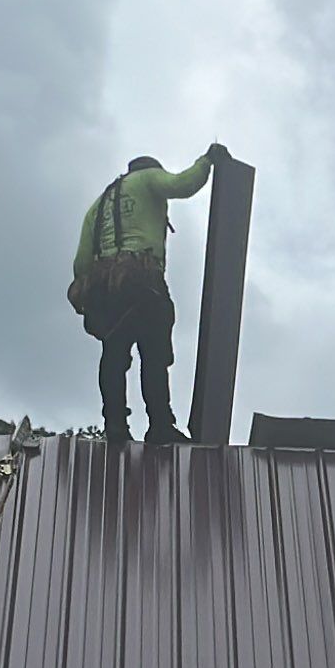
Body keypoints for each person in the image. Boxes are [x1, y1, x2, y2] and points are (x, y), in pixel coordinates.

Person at [70, 143, 230, 444]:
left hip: (107, 289)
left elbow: (81, 261)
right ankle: (160, 426)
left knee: (114, 356)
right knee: (154, 355)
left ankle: (115, 427)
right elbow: (182, 185)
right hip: (144, 282)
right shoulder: (148, 179)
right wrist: (206, 160)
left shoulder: (100, 202)